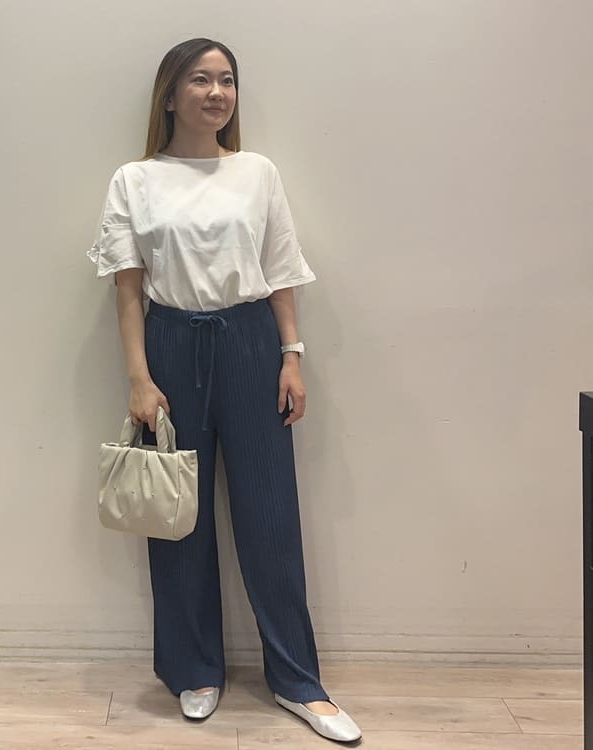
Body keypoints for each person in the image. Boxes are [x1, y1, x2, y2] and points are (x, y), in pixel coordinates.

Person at [88, 38, 362, 743]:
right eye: (200, 80)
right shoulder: (135, 179)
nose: (216, 93)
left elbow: (280, 270)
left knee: (270, 516)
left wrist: (292, 357)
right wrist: (139, 376)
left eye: (227, 80)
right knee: (177, 516)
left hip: (249, 344)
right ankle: (194, 669)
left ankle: (298, 681)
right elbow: (127, 289)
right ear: (170, 94)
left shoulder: (257, 172)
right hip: (171, 343)